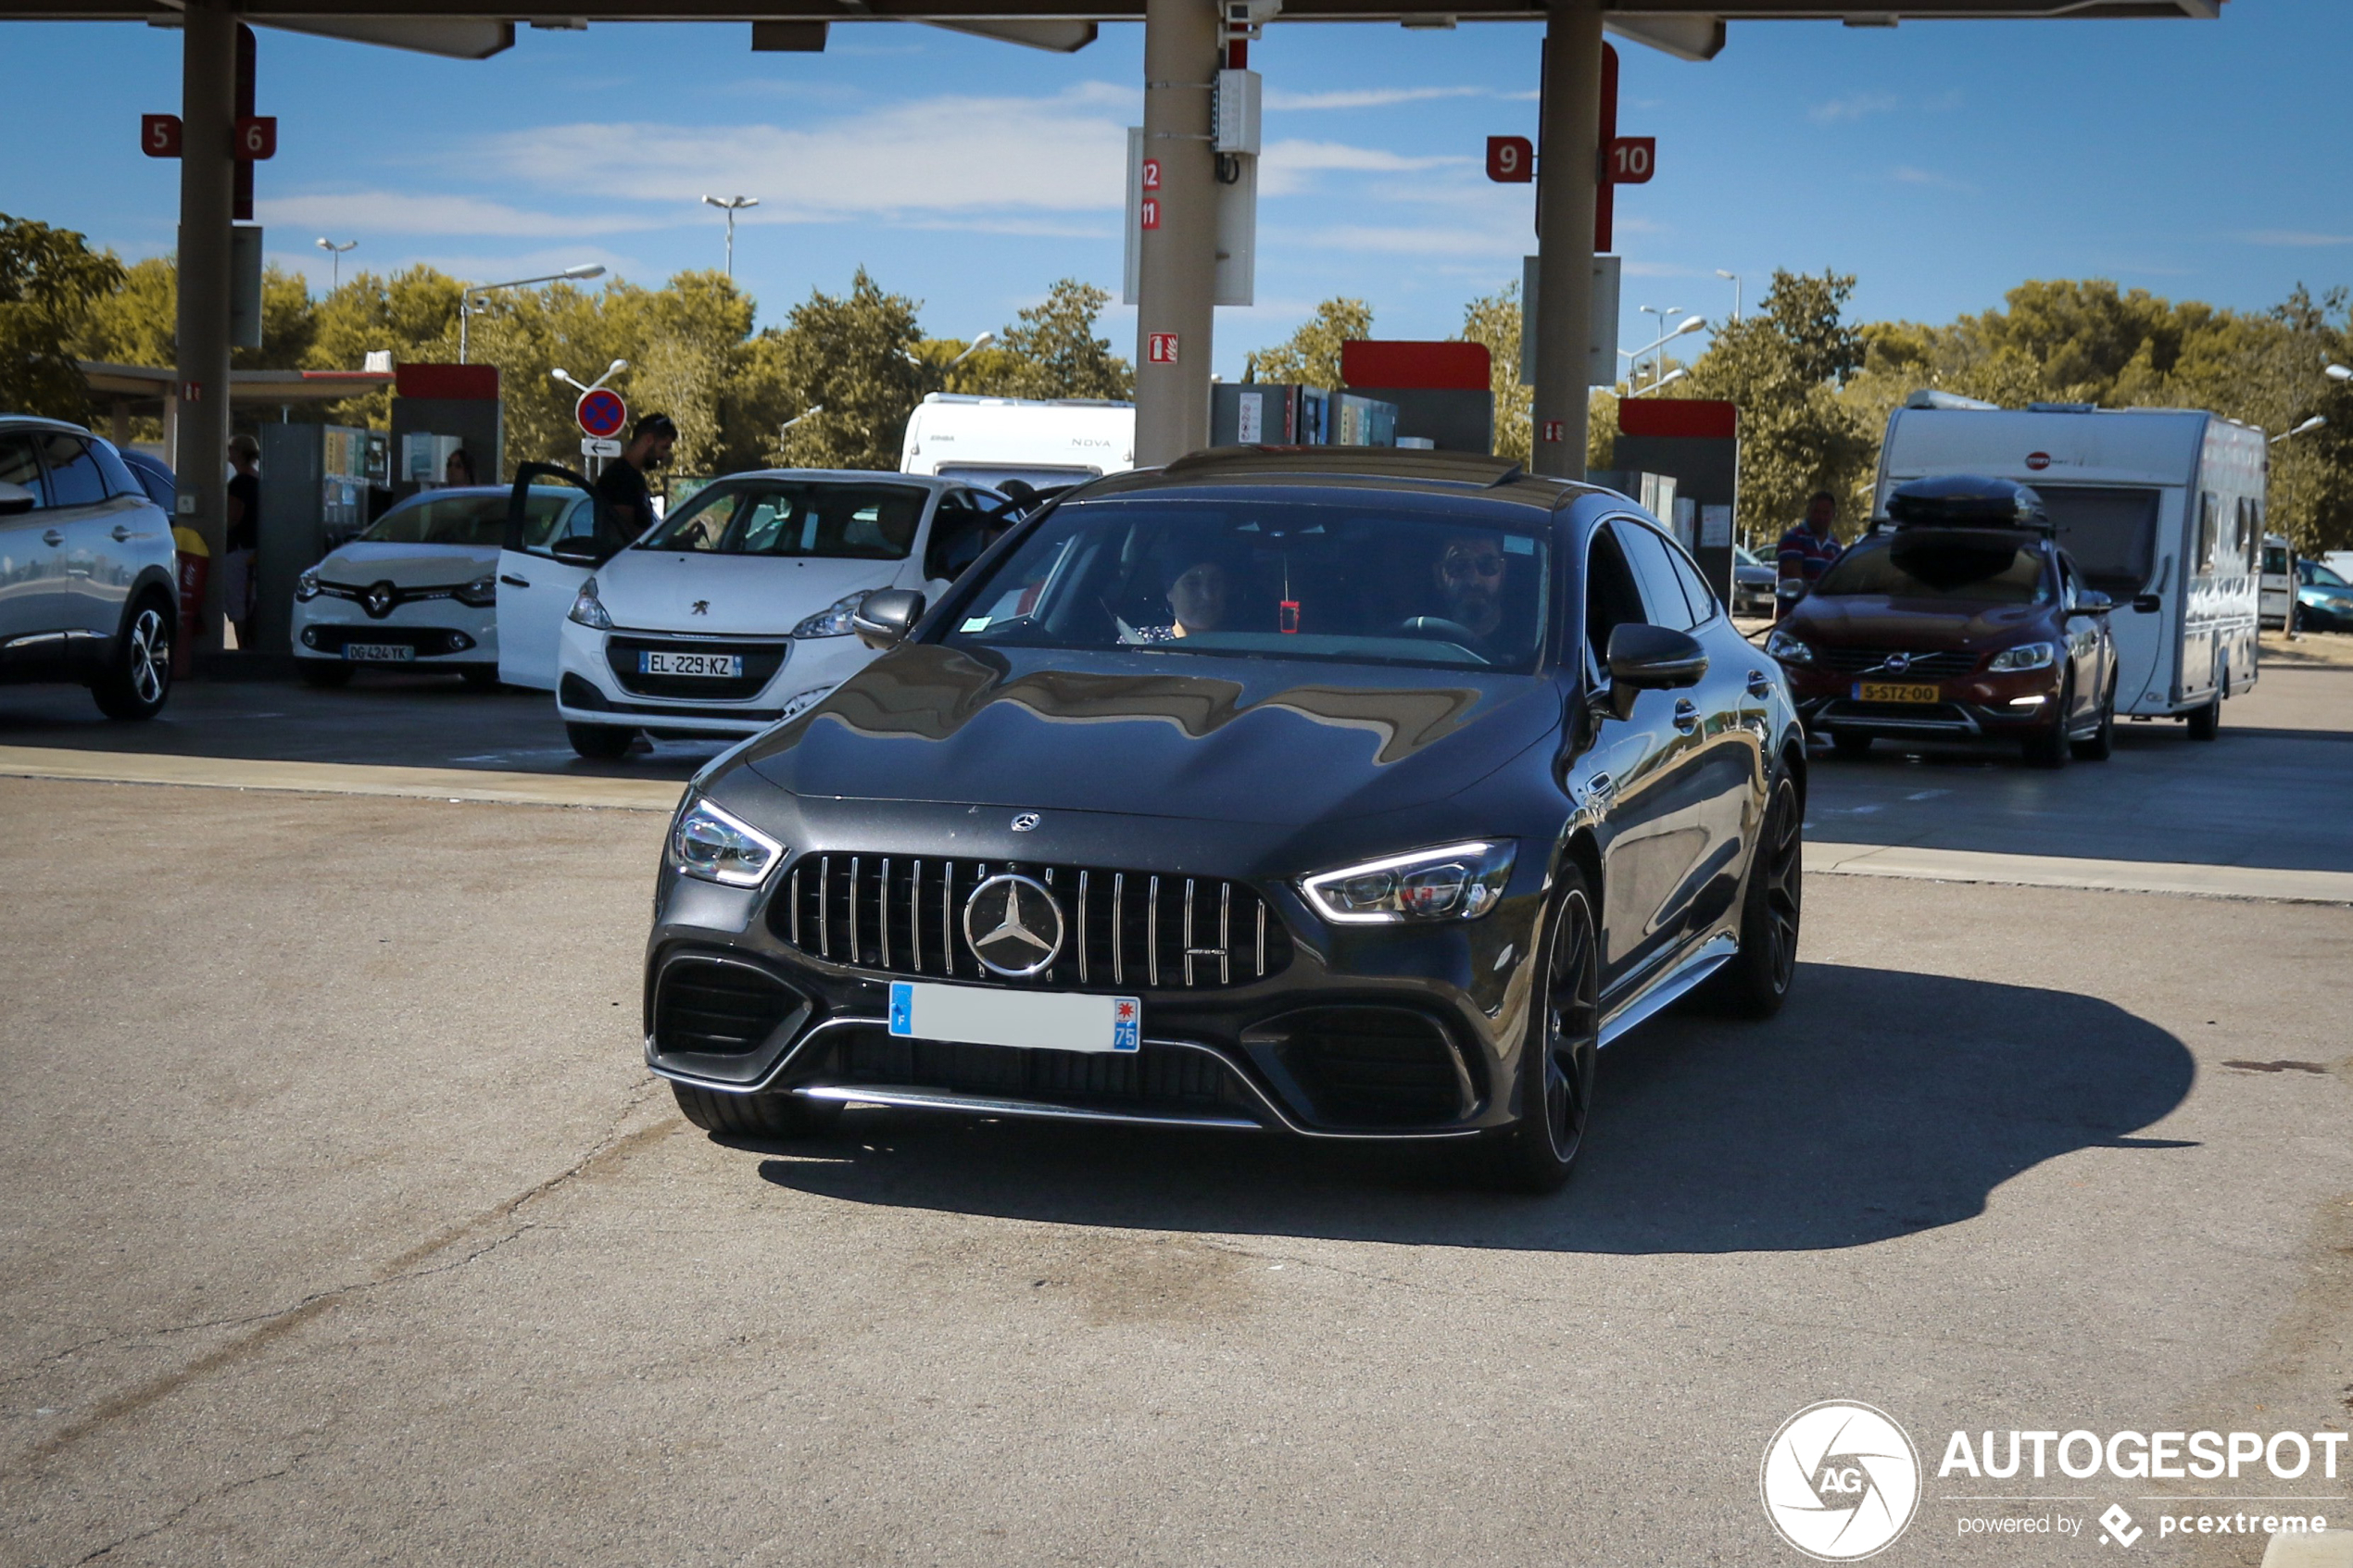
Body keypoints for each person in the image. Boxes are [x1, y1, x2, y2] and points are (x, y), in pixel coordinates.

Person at [594, 413, 676, 548]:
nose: (663, 456)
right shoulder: (619, 477)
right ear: (649, 439)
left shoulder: (635, 477)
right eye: (664, 448)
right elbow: (625, 531)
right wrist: (666, 539)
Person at [1775, 491, 1843, 619]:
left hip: (1823, 618)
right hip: (1793, 617)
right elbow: (1793, 575)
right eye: (1816, 512)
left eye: (1826, 513)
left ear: (1833, 515)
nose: (1821, 517)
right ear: (1808, 511)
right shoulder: (1792, 538)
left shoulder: (1835, 545)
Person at [221, 434, 261, 648]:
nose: (229, 452)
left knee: (238, 606)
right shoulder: (258, 480)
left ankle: (243, 648)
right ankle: (252, 647)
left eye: (231, 448)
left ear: (239, 453)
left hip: (237, 552)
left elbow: (232, 518)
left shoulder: (239, 483)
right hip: (254, 550)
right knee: (251, 604)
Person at [1432, 531, 1508, 644]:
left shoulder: (1534, 636)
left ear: (1503, 572)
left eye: (1487, 564)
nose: (1474, 580)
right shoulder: (1420, 638)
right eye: (1459, 565)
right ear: (1438, 575)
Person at [1135, 559, 1230, 642]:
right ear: (1169, 592)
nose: (1207, 595)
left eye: (1215, 582)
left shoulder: (1241, 645)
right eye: (1192, 584)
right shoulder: (1139, 643)